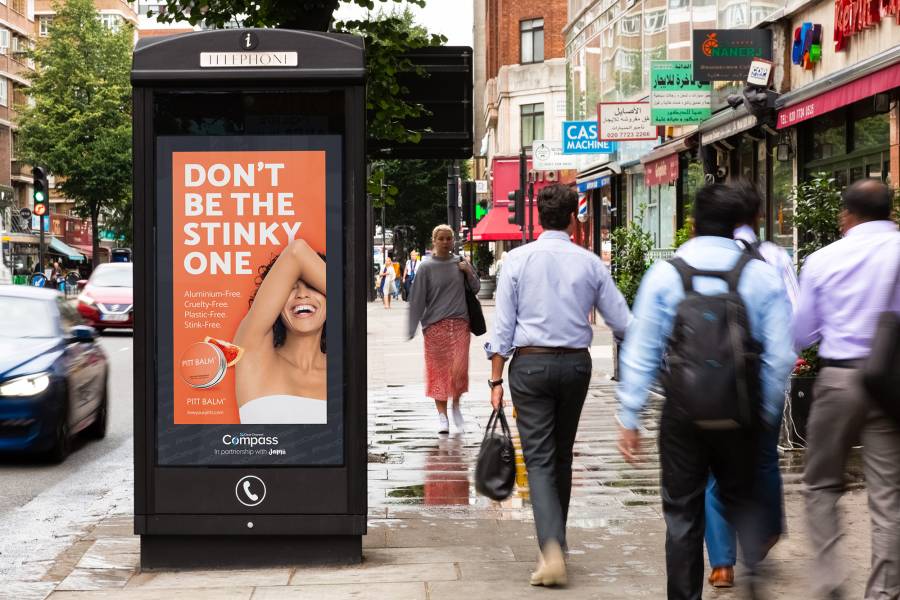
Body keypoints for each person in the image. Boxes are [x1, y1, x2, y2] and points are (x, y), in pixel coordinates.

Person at [617, 183, 794, 600]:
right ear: (738, 225)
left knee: (682, 513)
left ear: (691, 224)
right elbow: (781, 356)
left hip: (682, 413)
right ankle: (751, 579)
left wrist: (630, 417)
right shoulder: (760, 274)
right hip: (741, 412)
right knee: (744, 501)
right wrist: (764, 413)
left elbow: (641, 351)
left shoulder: (666, 274)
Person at [486, 184, 630, 587]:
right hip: (575, 367)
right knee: (561, 453)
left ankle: (551, 548)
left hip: (529, 367)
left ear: (538, 217)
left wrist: (495, 380)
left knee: (540, 459)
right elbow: (622, 322)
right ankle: (557, 543)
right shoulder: (589, 263)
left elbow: (502, 329)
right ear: (573, 219)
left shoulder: (516, 260)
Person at [794, 179, 900, 600]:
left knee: (820, 485)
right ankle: (884, 594)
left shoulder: (823, 259)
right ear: (890, 211)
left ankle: (829, 581)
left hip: (838, 379)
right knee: (888, 496)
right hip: (890, 381)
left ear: (846, 215)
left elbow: (801, 332)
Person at [704, 182, 800, 588]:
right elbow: (793, 320)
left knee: (712, 472)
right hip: (760, 384)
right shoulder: (774, 258)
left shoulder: (698, 258)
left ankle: (722, 564)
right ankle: (762, 539)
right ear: (757, 217)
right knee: (762, 463)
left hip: (712, 384)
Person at [233, 239, 327, 424]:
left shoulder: (344, 369)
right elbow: (296, 252)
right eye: (291, 289)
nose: (302, 295)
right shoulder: (252, 354)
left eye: (313, 287)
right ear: (276, 303)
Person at [407, 225, 479, 434]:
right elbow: (417, 298)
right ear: (434, 241)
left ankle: (456, 406)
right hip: (435, 326)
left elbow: (475, 288)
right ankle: (442, 417)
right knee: (438, 372)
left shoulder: (460, 263)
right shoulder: (426, 267)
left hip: (460, 324)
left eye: (449, 238)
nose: (446, 242)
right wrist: (412, 326)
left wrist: (468, 272)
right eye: (442, 239)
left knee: (458, 370)